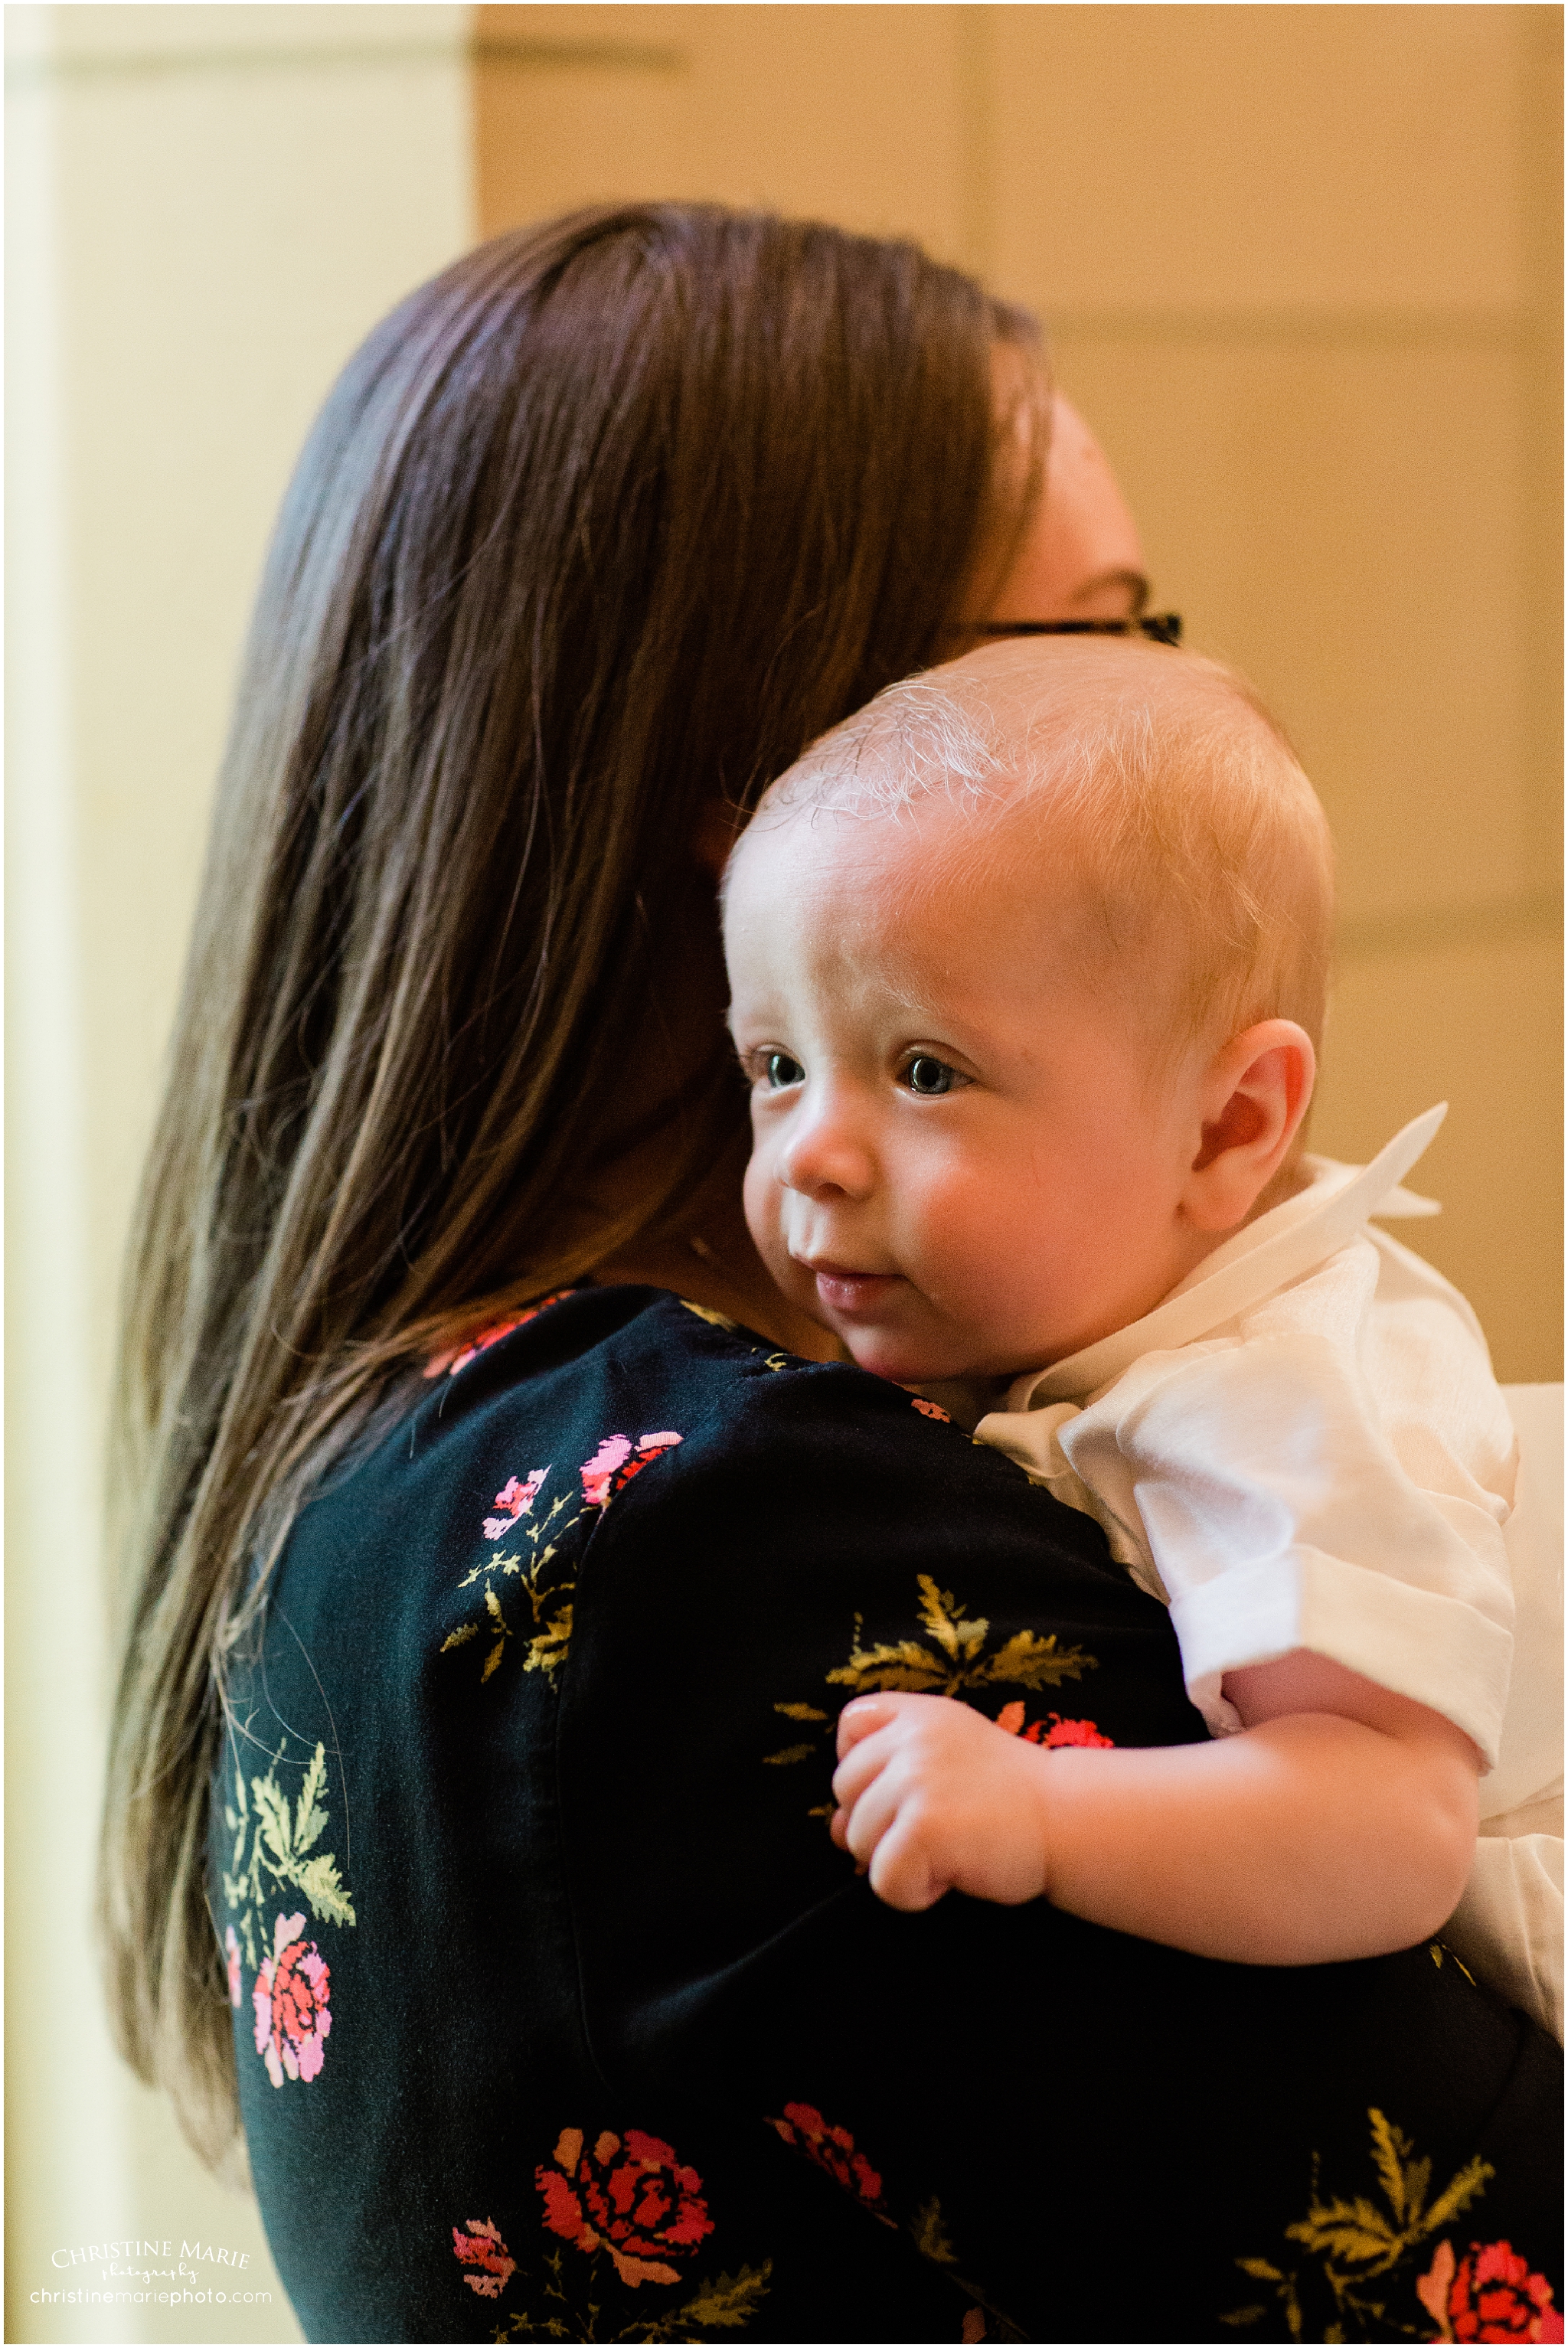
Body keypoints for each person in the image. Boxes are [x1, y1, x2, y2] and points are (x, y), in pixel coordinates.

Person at [101, 203, 1561, 2344]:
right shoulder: (724, 1539)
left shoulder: (421, 1450)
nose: (1167, 716)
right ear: (768, 788)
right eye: (1087, 646)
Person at [724, 634, 1562, 2040]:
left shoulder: (1272, 1396)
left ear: (1229, 1125)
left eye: (925, 1069)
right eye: (777, 1066)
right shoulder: (1108, 1311)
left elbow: (1389, 1821)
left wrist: (1043, 1808)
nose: (813, 1154)